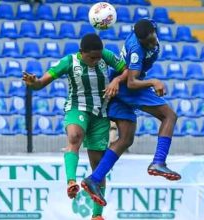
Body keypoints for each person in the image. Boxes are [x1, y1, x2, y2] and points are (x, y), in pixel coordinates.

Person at [22, 33, 127, 220]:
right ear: (81, 52)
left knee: (98, 166)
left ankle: (97, 215)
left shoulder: (106, 56)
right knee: (74, 137)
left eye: (98, 57)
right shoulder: (68, 61)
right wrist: (34, 83)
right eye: (91, 57)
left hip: (100, 115)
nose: (96, 60)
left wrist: (117, 79)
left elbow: (128, 70)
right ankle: (71, 181)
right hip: (77, 108)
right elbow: (41, 83)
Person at [81, 19, 180, 207]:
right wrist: (153, 82)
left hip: (119, 86)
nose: (151, 43)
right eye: (146, 42)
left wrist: (116, 79)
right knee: (169, 116)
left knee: (126, 139)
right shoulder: (136, 48)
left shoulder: (146, 27)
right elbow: (133, 82)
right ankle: (159, 161)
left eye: (152, 38)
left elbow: (126, 70)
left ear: (153, 30)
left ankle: (94, 179)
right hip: (129, 89)